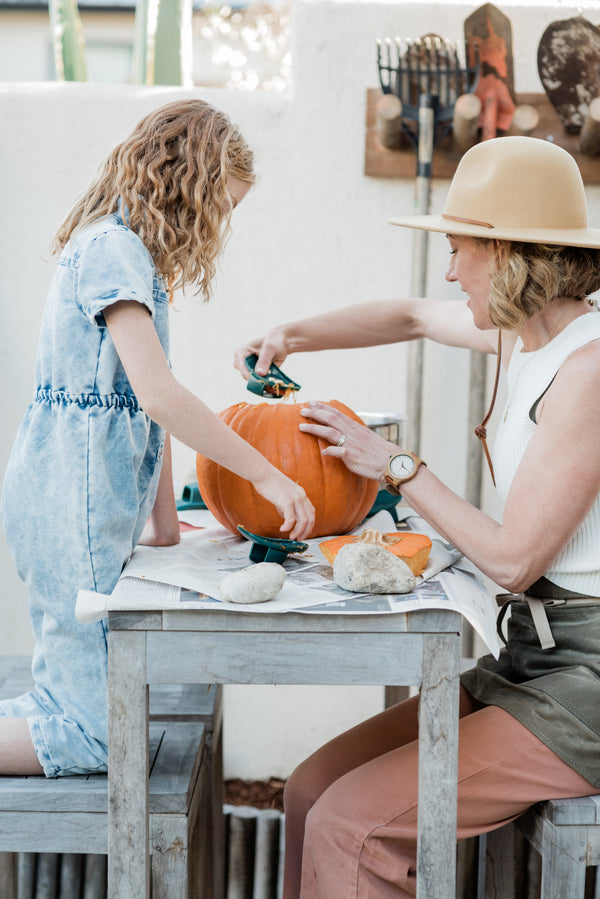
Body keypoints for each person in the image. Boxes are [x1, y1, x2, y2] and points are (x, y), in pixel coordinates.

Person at [234, 136, 600, 898]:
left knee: (352, 827)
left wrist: (396, 465)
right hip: (530, 659)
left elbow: (512, 561)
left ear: (509, 254)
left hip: (587, 680)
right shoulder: (521, 334)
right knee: (310, 790)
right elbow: (406, 312)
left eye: (460, 247)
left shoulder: (587, 369)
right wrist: (293, 334)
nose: (449, 269)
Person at [0, 99, 314, 778]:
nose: (221, 225)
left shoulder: (124, 250)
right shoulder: (113, 250)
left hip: (72, 502)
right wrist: (268, 474)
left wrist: (164, 521)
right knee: (94, 737)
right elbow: (159, 395)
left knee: (68, 698)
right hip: (68, 507)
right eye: (221, 208)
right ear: (190, 185)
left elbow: (139, 401)